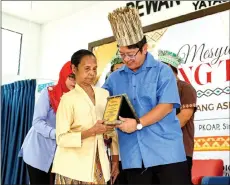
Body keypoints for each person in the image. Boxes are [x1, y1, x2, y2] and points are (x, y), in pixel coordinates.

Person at [103, 7, 191, 184]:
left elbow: (166, 106)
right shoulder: (114, 78)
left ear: (144, 48)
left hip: (167, 154)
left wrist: (137, 124)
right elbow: (101, 102)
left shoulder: (163, 72)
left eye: (131, 54)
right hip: (133, 157)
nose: (126, 59)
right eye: (122, 55)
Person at [51, 49, 119, 184]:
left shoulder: (104, 94)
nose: (92, 73)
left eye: (94, 69)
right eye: (87, 68)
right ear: (74, 69)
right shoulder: (67, 99)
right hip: (72, 168)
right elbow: (61, 138)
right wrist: (91, 131)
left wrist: (115, 159)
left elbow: (112, 130)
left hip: (99, 165)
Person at [18, 61, 76, 185]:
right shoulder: (49, 93)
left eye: (77, 78)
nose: (74, 82)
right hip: (37, 149)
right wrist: (57, 133)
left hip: (58, 153)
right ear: (64, 75)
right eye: (71, 77)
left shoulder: (76, 99)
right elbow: (37, 121)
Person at [158, 49, 197, 183]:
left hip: (180, 149)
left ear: (168, 68)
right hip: (160, 152)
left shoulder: (185, 88)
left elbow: (184, 117)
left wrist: (159, 133)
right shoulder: (160, 91)